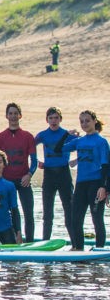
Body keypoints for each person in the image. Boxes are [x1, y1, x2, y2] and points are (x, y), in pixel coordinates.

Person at [56, 110, 109, 250]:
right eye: (82, 121)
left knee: (97, 218)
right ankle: (78, 248)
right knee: (75, 219)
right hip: (81, 183)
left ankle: (99, 249)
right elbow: (58, 149)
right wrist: (66, 135)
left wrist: (104, 187)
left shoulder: (101, 142)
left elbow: (106, 166)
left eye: (87, 120)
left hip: (96, 183)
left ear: (94, 121)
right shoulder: (79, 141)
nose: (84, 124)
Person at [0, 103, 37, 242]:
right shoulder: (1, 137)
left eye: (15, 113)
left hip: (23, 180)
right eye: (10, 113)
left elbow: (34, 160)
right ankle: (14, 239)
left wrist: (29, 175)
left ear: (20, 115)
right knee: (12, 211)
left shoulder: (28, 136)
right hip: (7, 182)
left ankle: (30, 241)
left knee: (28, 213)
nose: (13, 116)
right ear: (6, 116)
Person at [35, 107, 76, 241]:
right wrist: (36, 162)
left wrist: (76, 160)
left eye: (56, 118)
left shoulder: (67, 134)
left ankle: (75, 242)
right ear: (47, 120)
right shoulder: (42, 135)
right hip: (49, 175)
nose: (53, 121)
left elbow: (85, 147)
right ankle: (45, 241)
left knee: (68, 209)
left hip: (64, 173)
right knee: (48, 212)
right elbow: (28, 148)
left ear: (60, 119)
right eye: (51, 118)